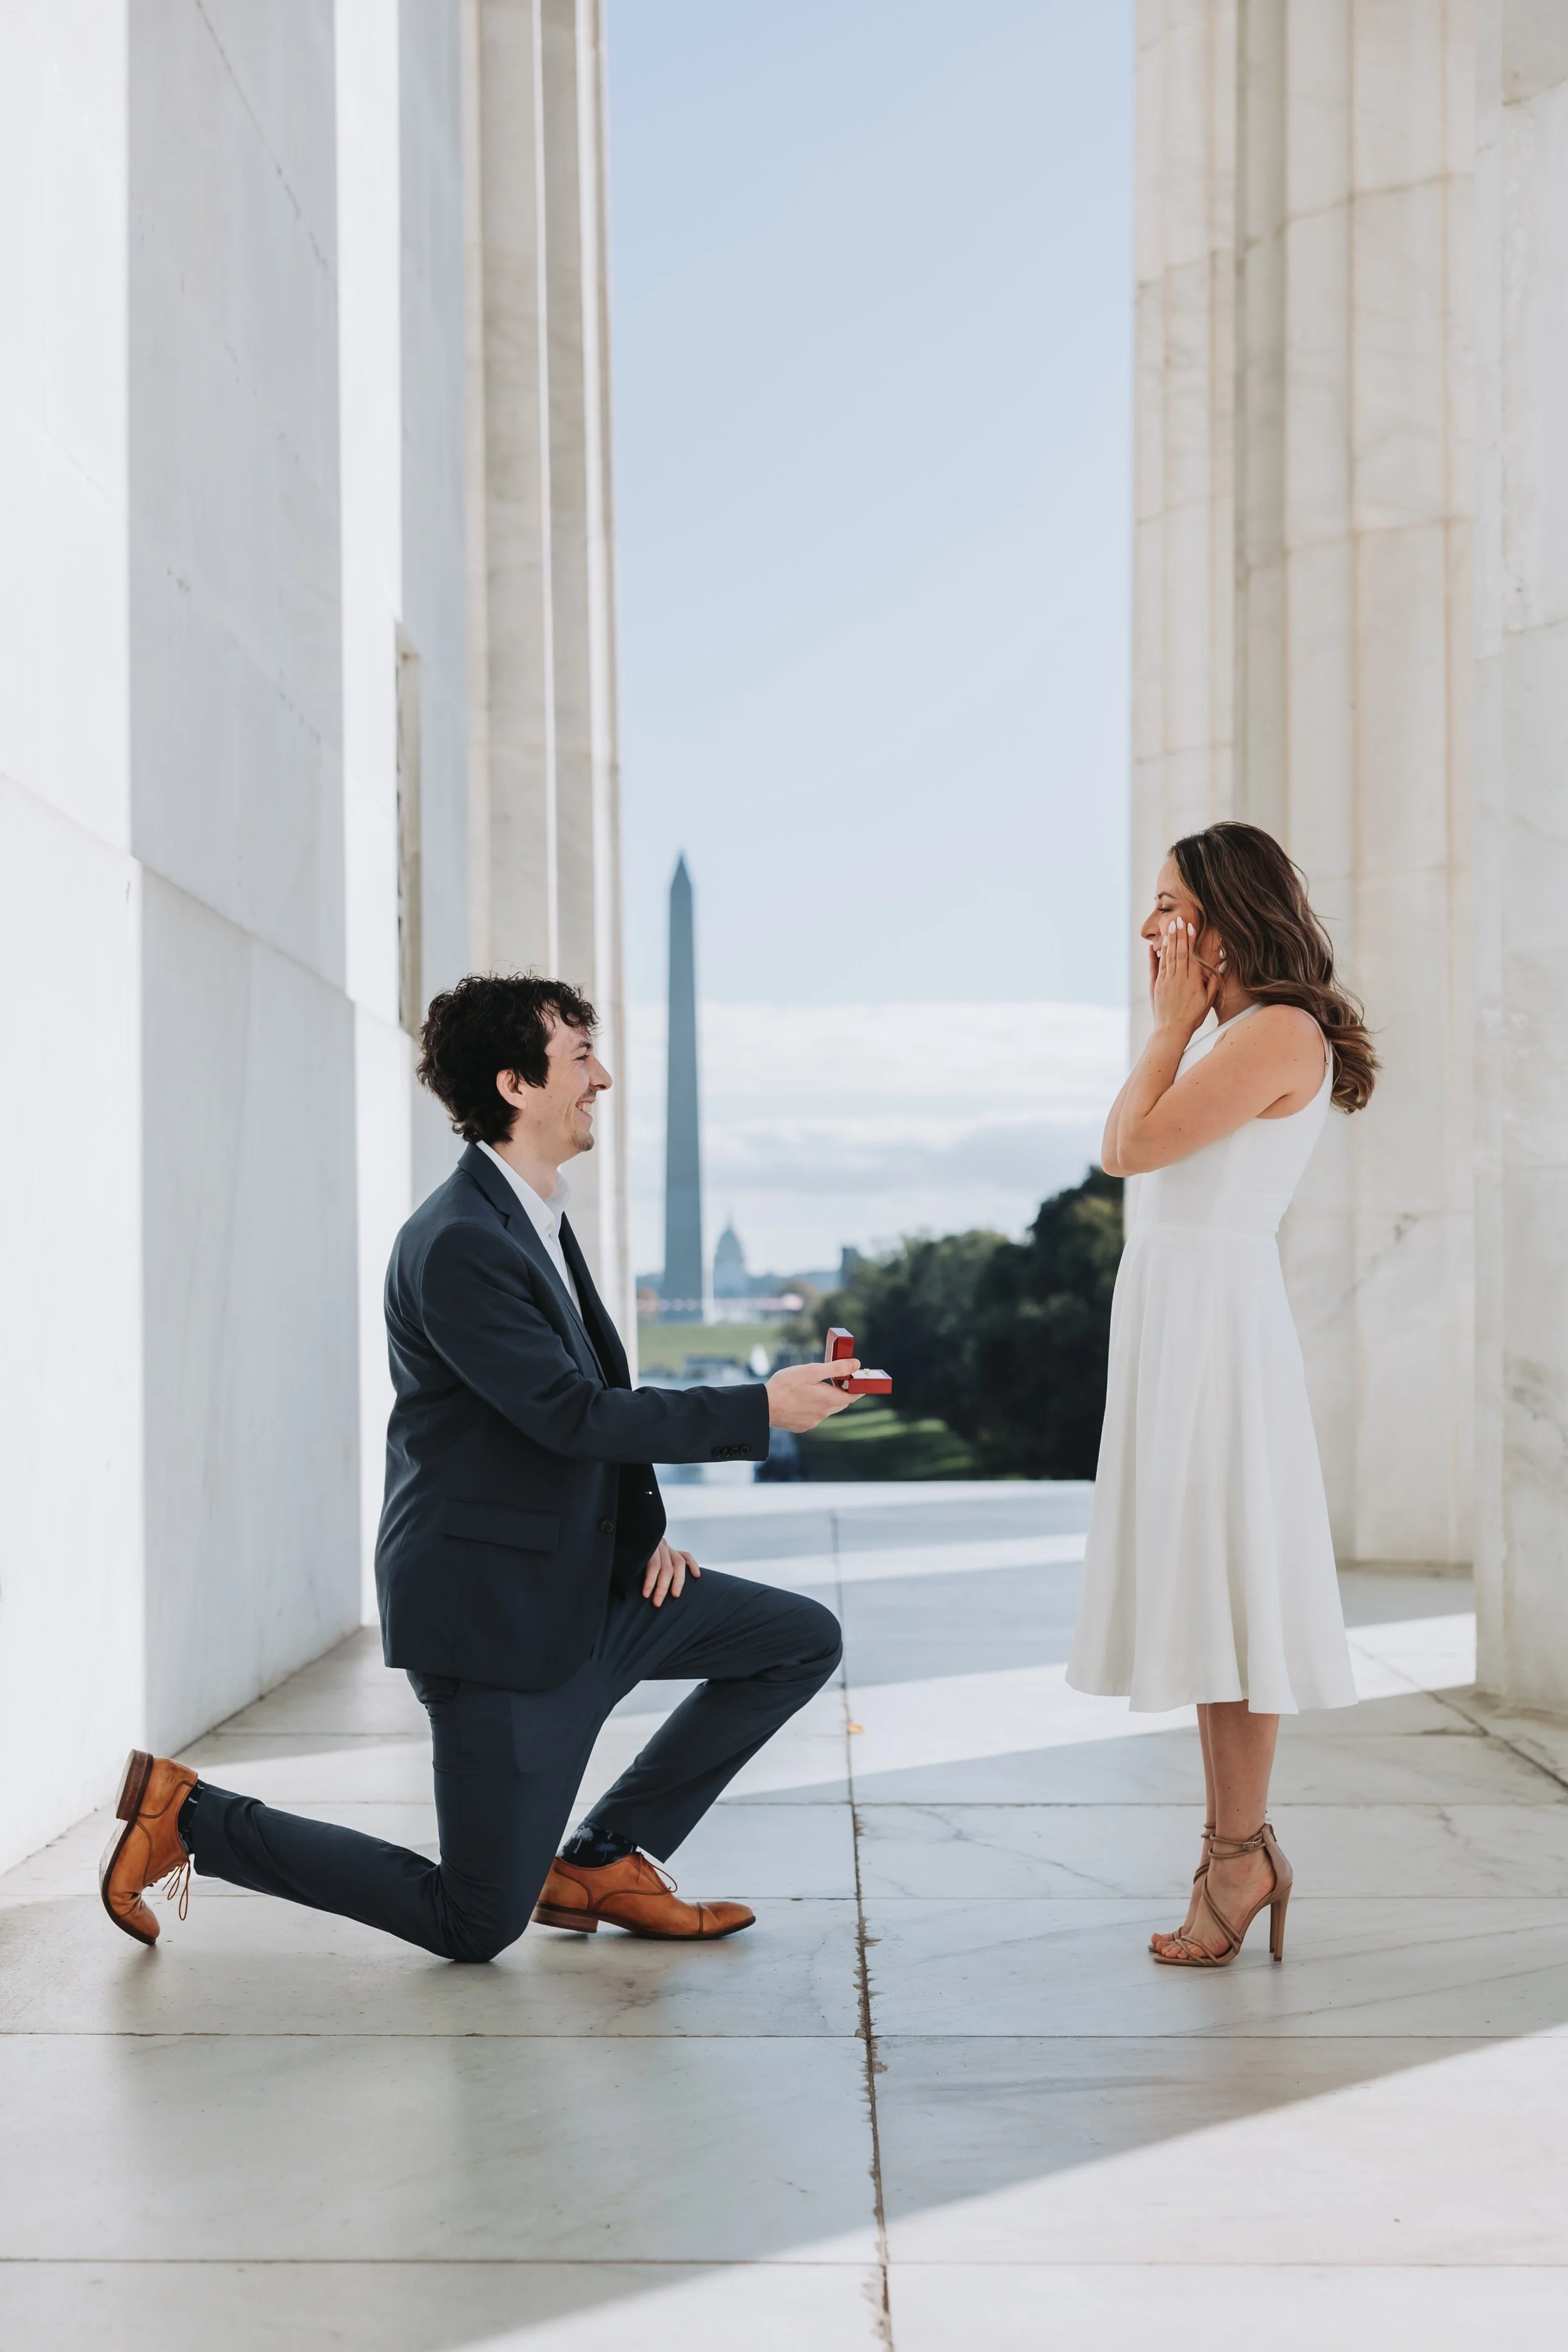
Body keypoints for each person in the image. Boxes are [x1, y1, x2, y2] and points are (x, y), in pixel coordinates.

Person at [101, 975, 860, 1959]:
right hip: (498, 1621)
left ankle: (604, 1856)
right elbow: (568, 1412)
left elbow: (571, 1402)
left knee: (797, 1639)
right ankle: (186, 1816)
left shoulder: (534, 1214)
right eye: (581, 1059)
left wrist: (645, 1532)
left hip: (593, 1591)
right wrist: (762, 1406)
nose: (606, 1079)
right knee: (474, 1925)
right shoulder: (460, 1241)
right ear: (515, 1083)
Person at [1068, 822, 1377, 1967]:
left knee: (1235, 1593)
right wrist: (1174, 1030)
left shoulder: (1277, 1032)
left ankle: (1238, 1853)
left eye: (1166, 903)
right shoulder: (1226, 1035)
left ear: (1225, 915)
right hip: (1182, 1320)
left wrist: (1165, 1030)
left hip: (1217, 1333)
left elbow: (1129, 1148)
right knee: (1207, 1594)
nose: (1151, 927)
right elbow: (1123, 1139)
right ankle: (1233, 1849)